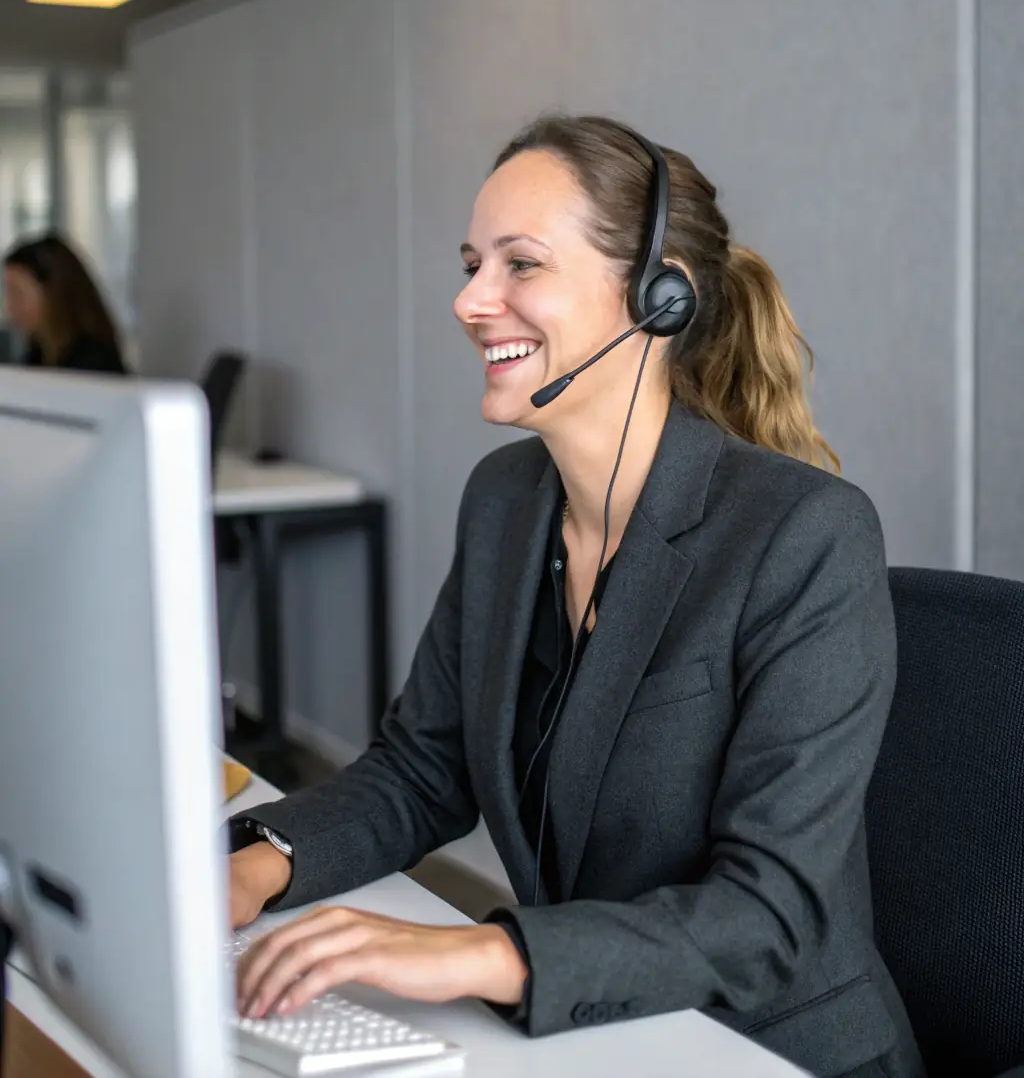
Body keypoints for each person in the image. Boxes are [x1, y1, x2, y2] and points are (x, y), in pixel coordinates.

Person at [228, 115, 922, 1078]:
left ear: (657, 295)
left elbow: (767, 913)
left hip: (768, 1049)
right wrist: (251, 867)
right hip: (600, 1032)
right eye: (473, 263)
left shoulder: (805, 536)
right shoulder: (505, 502)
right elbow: (423, 770)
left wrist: (481, 949)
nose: (472, 300)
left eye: (521, 264)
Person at [3, 231, 129, 375]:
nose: (10, 308)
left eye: (17, 293)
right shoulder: (37, 357)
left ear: (53, 294)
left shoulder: (93, 365)